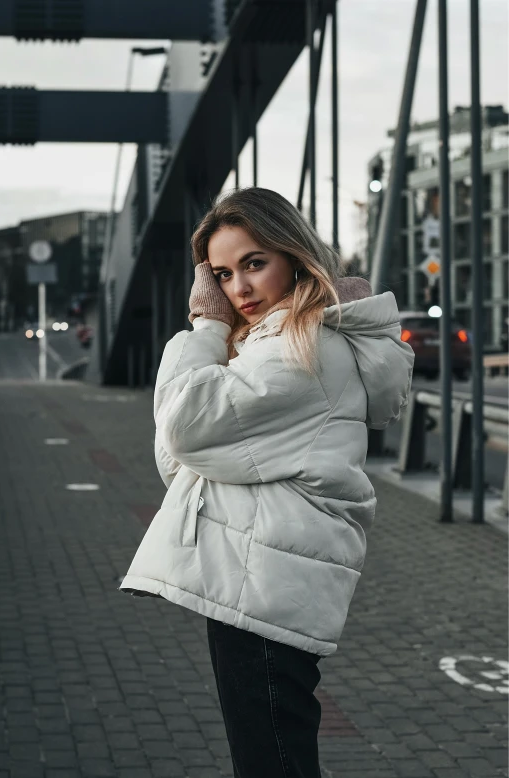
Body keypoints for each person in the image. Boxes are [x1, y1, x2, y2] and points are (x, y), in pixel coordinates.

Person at [120, 187, 414, 777]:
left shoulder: (300, 351)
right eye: (223, 274)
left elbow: (182, 430)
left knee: (271, 760)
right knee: (275, 753)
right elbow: (183, 460)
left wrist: (204, 327)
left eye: (254, 263)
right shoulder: (279, 343)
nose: (239, 290)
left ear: (294, 256)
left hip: (264, 581)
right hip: (262, 573)